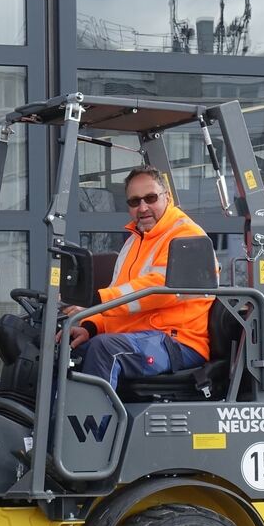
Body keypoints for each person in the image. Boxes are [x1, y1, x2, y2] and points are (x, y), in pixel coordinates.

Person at [67, 166, 214, 388]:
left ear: (168, 197)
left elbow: (160, 290)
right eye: (134, 202)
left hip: (177, 341)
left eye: (150, 198)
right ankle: (50, 420)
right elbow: (123, 300)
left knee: (106, 350)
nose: (143, 207)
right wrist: (91, 326)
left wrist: (97, 301)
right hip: (140, 337)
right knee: (68, 350)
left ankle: (91, 423)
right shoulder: (134, 242)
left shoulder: (187, 236)